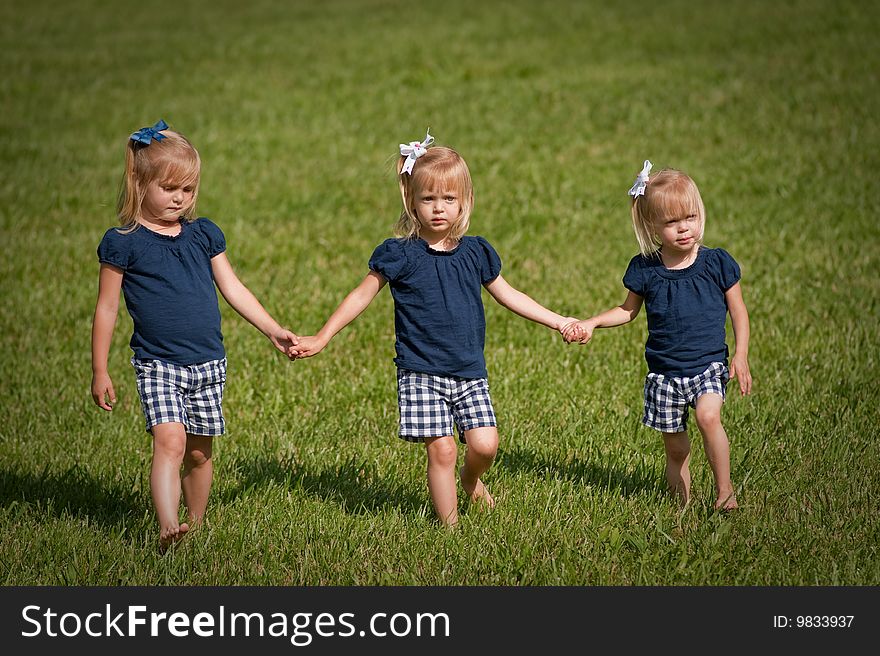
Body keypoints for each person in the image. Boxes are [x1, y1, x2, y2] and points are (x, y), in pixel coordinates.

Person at [291, 131, 582, 526]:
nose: (439, 208)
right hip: (420, 371)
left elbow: (509, 294)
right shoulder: (400, 255)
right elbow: (360, 296)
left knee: (485, 444)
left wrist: (558, 320)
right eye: (428, 199)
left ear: (465, 202)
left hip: (468, 370)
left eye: (449, 199)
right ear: (411, 201)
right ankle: (450, 528)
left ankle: (471, 481)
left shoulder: (476, 252)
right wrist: (322, 336)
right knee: (442, 450)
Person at [90, 120, 298, 548]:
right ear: (138, 182)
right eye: (169, 188)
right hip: (158, 363)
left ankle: (196, 525)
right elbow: (107, 308)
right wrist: (100, 369)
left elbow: (233, 288)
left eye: (187, 189)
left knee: (200, 452)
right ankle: (168, 526)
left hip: (208, 363)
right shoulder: (123, 243)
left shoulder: (203, 235)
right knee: (170, 440)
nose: (179, 198)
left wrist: (273, 330)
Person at [563, 161, 751, 511]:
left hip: (708, 364)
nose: (684, 229)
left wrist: (740, 355)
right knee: (676, 449)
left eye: (690, 218)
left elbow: (738, 311)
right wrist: (591, 322)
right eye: (672, 222)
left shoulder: (717, 263)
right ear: (652, 226)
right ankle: (679, 508)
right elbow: (627, 310)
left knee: (708, 417)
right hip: (664, 373)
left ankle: (725, 492)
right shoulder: (645, 268)